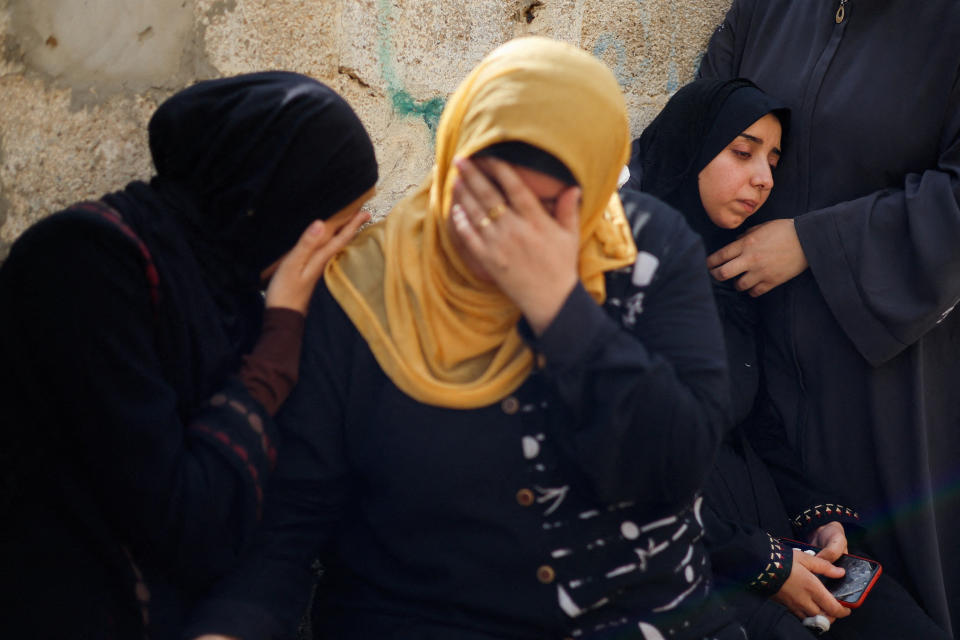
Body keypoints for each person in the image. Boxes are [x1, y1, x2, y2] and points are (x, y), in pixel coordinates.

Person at [187, 37, 744, 640]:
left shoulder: (650, 252)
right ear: (454, 157)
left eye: (544, 209)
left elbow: (675, 463)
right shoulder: (367, 294)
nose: (504, 232)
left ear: (590, 199)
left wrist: (559, 309)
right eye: (484, 192)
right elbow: (288, 526)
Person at [0, 71, 377, 638]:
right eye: (335, 229)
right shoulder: (85, 265)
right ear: (276, 203)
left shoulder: (230, 299)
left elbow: (277, 527)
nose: (333, 256)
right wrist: (281, 333)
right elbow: (188, 527)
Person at [627, 76, 951, 640]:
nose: (763, 178)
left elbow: (756, 432)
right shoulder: (618, 287)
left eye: (773, 160)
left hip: (771, 541)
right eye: (742, 151)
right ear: (690, 150)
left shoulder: (727, 284)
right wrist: (768, 565)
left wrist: (820, 518)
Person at [697, 2, 960, 636]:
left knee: (890, 583)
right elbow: (700, 129)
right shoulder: (765, 11)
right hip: (755, 361)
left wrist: (815, 243)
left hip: (889, 375)